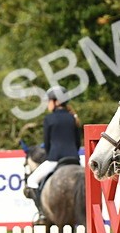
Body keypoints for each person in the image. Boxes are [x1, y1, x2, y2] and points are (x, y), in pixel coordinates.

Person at [24, 88, 82, 219]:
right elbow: (78, 142)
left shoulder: (49, 119)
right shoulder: (73, 118)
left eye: (49, 101)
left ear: (56, 102)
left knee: (32, 180)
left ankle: (42, 213)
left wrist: (50, 155)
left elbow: (47, 143)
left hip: (55, 158)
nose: (47, 104)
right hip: (74, 159)